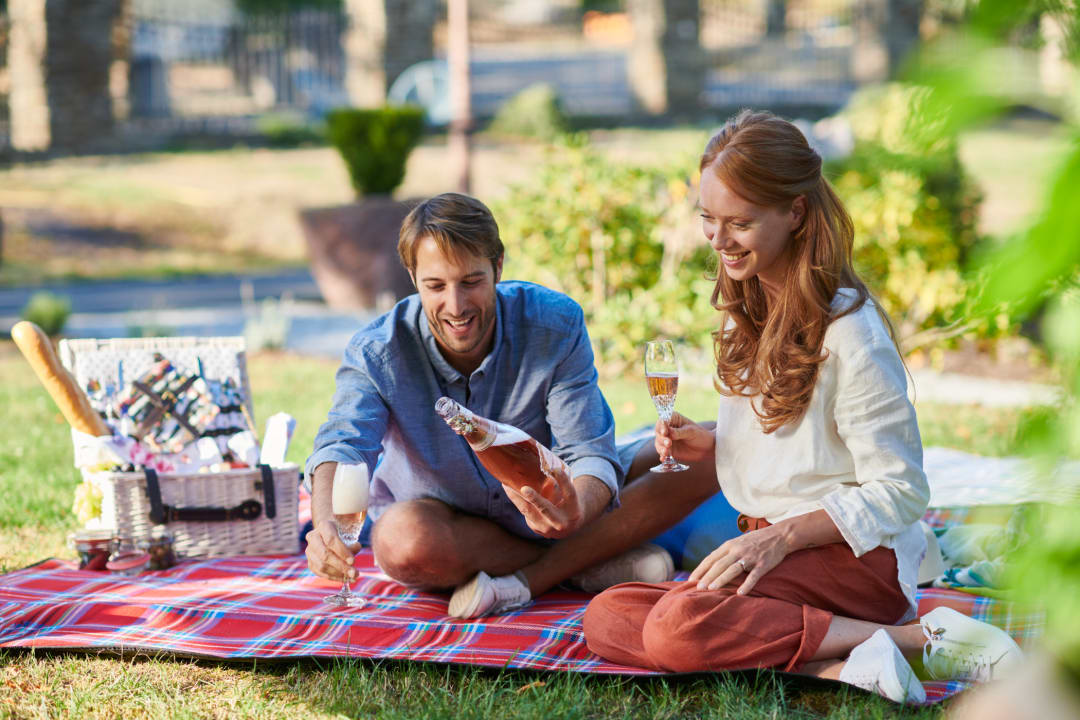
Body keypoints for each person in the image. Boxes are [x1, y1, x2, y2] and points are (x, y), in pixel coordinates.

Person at [582, 110, 1024, 703]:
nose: (717, 240)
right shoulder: (749, 308)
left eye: (738, 222)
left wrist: (780, 539)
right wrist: (714, 444)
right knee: (606, 616)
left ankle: (917, 637)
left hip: (850, 560)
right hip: (774, 555)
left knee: (673, 629)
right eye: (708, 219)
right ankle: (840, 667)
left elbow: (902, 490)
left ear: (794, 213)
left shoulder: (851, 332)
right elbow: (796, 443)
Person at [305, 192, 719, 618]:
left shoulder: (554, 323)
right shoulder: (378, 351)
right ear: (412, 277)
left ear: (498, 266)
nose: (456, 305)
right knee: (399, 543)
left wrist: (576, 508)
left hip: (557, 501)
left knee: (709, 447)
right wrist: (324, 525)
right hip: (449, 525)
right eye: (435, 286)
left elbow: (588, 453)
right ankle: (587, 563)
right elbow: (343, 445)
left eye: (471, 281)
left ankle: (532, 578)